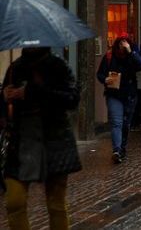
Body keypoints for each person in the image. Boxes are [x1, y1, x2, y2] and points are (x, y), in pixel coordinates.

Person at [2, 48, 81, 230]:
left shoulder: (58, 66)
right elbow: (5, 108)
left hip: (54, 140)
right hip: (22, 143)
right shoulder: (15, 68)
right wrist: (5, 97)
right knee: (14, 201)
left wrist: (32, 92)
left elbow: (72, 99)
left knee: (56, 203)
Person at [97, 36, 141, 163]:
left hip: (130, 95)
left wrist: (130, 51)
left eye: (124, 43)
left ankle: (122, 148)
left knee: (125, 124)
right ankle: (116, 150)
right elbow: (100, 73)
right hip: (114, 94)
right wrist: (105, 79)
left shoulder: (132, 56)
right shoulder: (109, 57)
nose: (122, 46)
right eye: (120, 43)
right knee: (116, 122)